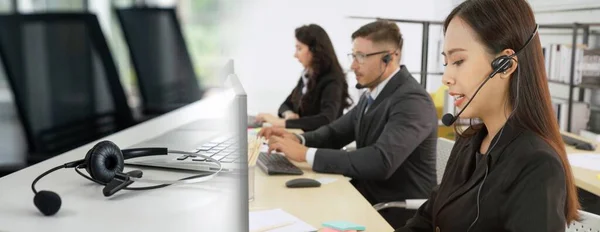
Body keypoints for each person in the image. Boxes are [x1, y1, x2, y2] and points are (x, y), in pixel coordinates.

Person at [397, 0, 580, 231]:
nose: (446, 77)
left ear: (505, 65)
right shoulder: (468, 141)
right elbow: (426, 219)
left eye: (458, 61)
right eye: (446, 62)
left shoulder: (537, 164)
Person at [258, 20, 438, 229]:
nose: (353, 65)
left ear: (390, 57)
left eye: (361, 56)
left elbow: (380, 161)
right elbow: (335, 133)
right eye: (353, 56)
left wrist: (304, 153)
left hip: (395, 212)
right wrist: (297, 139)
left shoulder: (412, 101)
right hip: (364, 198)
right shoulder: (373, 94)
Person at [255, 24, 353, 132]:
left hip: (321, 146)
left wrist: (281, 123)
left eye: (299, 49)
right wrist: (289, 114)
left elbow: (326, 119)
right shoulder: (307, 76)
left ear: (315, 50)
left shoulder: (332, 80)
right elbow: (285, 105)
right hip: (304, 140)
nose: (295, 55)